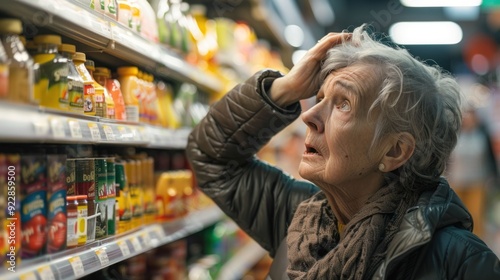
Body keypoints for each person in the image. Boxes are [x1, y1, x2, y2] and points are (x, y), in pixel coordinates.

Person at [186, 25, 500, 279]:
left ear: (394, 151)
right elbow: (212, 157)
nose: (308, 116)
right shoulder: (297, 221)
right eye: (319, 97)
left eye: (343, 104)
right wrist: (284, 89)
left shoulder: (462, 263)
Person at [447, 106, 499, 239]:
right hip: (457, 182)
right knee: (457, 215)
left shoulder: (482, 135)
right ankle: (458, 242)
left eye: (470, 116)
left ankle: (477, 243)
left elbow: (490, 157)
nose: (468, 119)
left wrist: (492, 177)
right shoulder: (455, 135)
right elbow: (447, 158)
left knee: (476, 215)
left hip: (478, 182)